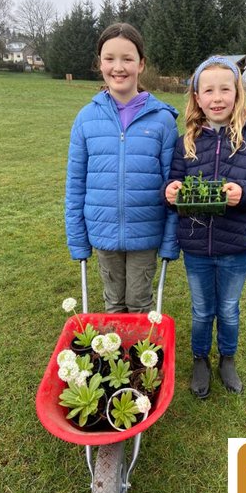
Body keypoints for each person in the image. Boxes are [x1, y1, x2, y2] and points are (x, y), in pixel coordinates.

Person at [165, 56, 246, 398]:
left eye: (224, 89)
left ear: (237, 93)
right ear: (197, 98)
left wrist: (244, 193)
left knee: (228, 308)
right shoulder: (185, 141)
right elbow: (173, 184)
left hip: (236, 245)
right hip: (196, 244)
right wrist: (169, 192)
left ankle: (227, 358)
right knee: (202, 309)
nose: (217, 98)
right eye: (209, 91)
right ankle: (200, 359)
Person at [65, 22, 179, 313]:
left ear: (141, 64)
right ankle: (115, 358)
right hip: (102, 232)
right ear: (99, 63)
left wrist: (170, 238)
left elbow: (173, 186)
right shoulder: (86, 118)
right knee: (113, 304)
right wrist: (77, 238)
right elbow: (75, 185)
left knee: (139, 304)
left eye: (127, 59)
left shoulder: (163, 120)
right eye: (109, 58)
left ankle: (142, 359)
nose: (119, 67)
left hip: (146, 232)